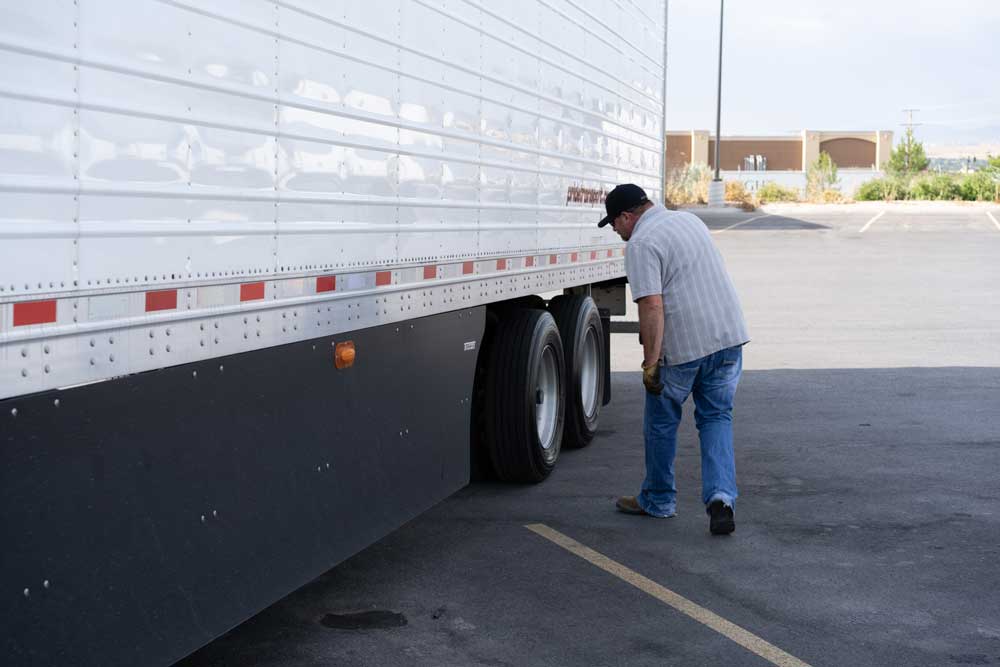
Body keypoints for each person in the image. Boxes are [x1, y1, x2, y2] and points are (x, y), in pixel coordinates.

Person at [598, 184, 749, 535]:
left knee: (661, 421)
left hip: (685, 347)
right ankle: (721, 499)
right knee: (716, 418)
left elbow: (651, 305)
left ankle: (659, 499)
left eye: (615, 224)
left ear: (627, 216)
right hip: (728, 337)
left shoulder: (641, 243)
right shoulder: (689, 221)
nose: (616, 232)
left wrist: (650, 363)